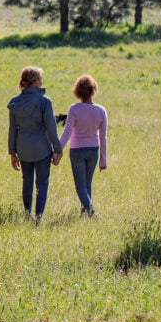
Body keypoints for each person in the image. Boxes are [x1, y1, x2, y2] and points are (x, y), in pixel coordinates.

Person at [8, 66, 62, 221]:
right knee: (42, 183)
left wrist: (12, 152)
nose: (41, 82)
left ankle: (27, 213)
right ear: (35, 81)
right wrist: (58, 149)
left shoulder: (15, 103)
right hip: (42, 149)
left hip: (23, 149)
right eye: (40, 79)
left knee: (27, 181)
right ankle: (39, 216)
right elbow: (51, 128)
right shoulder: (44, 101)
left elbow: (12, 130)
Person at [58, 74, 108, 216]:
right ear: (93, 90)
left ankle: (91, 212)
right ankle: (85, 212)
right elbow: (103, 137)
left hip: (77, 151)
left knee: (80, 187)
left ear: (77, 91)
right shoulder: (101, 111)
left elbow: (67, 133)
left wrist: (57, 151)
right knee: (87, 184)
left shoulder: (74, 109)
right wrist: (103, 159)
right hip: (94, 151)